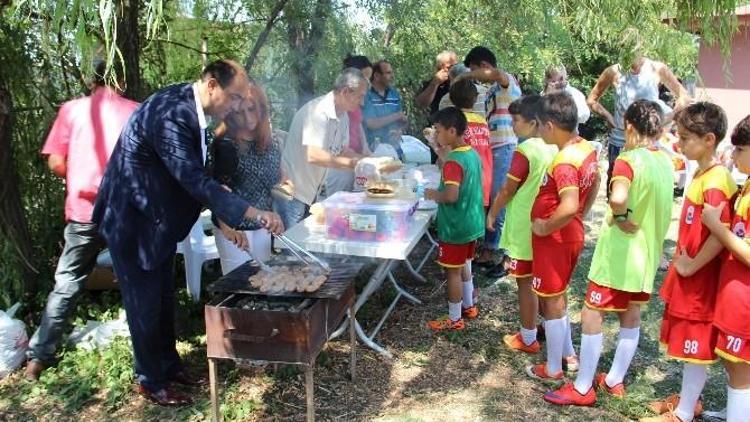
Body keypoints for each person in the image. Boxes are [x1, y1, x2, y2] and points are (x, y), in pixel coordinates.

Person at [92, 60, 284, 406]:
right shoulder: (172, 113)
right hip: (133, 221)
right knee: (145, 304)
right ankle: (151, 380)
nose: (240, 104)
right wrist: (249, 213)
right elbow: (192, 178)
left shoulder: (190, 109)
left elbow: (199, 173)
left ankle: (169, 365)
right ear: (212, 85)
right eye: (235, 96)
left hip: (158, 222)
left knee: (163, 297)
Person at [544, 100, 674, 406]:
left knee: (592, 312)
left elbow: (617, 199)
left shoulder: (628, 160)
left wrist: (622, 215)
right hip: (647, 255)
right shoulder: (665, 162)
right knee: (632, 315)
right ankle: (614, 380)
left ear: (629, 126)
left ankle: (583, 387)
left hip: (620, 254)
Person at [24, 61, 139, 381]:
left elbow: (56, 162)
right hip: (123, 211)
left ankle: (39, 358)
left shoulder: (71, 111)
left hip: (83, 212)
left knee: (67, 283)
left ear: (90, 80)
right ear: (121, 78)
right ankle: (142, 352)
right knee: (135, 280)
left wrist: (79, 175)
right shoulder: (135, 111)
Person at [644, 102, 737, 422]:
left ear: (709, 139)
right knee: (696, 344)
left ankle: (684, 412)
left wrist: (690, 265)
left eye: (685, 138)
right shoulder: (703, 172)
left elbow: (718, 232)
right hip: (692, 272)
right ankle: (688, 399)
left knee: (697, 344)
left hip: (702, 277)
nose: (679, 144)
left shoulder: (716, 180)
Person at [525, 92, 600, 381]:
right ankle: (567, 354)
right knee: (557, 296)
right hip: (567, 235)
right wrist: (582, 211)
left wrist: (545, 227)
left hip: (555, 239)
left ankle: (553, 367)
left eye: (539, 124)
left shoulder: (566, 160)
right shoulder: (584, 148)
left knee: (552, 301)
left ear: (550, 126)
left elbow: (568, 205)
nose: (538, 129)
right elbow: (596, 181)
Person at [487, 95, 557, 354]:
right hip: (548, 224)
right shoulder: (554, 147)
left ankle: (528, 338)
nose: (513, 125)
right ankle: (549, 330)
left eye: (516, 120)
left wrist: (493, 213)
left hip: (524, 227)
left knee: (525, 283)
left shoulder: (525, 151)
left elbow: (507, 189)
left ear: (533, 122)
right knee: (546, 283)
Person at [700, 114, 750, 422]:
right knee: (734, 361)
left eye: (739, 150)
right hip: (736, 289)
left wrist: (717, 228)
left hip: (745, 296)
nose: (733, 156)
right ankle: (737, 408)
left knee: (739, 363)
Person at [456, 46, 522, 276]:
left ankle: (500, 254)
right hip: (494, 150)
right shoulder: (492, 92)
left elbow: (497, 74)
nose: (473, 76)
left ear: (484, 66)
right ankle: (490, 250)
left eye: (474, 70)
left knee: (499, 200)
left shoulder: (506, 82)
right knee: (492, 199)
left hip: (505, 149)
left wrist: (465, 75)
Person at [279, 68, 368, 229]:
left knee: (306, 245)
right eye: (360, 96)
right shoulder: (318, 112)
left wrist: (368, 161)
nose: (362, 102)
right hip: (293, 192)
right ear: (346, 91)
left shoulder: (344, 115)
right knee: (292, 250)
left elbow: (342, 151)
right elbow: (314, 155)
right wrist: (351, 164)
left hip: (312, 193)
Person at [211, 80, 283, 274]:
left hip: (262, 226)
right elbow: (215, 192)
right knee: (239, 288)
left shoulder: (270, 142)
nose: (247, 117)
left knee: (264, 283)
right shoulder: (226, 144)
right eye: (240, 112)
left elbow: (277, 181)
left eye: (251, 109)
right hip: (234, 229)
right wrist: (227, 229)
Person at [587, 55, 689, 189]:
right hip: (620, 143)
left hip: (648, 144)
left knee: (645, 189)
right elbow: (591, 100)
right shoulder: (614, 71)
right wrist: (608, 117)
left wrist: (668, 117)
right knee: (616, 190)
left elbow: (684, 97)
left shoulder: (656, 68)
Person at [424, 107, 484, 331]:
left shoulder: (452, 163)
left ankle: (454, 317)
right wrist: (436, 146)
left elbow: (450, 195)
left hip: (455, 226)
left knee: (452, 272)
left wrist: (432, 194)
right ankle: (469, 306)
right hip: (471, 222)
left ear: (451, 131)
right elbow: (450, 160)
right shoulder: (470, 153)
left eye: (438, 131)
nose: (436, 135)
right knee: (464, 264)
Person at [325, 55, 373, 195]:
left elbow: (358, 125)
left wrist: (365, 148)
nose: (367, 81)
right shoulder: (336, 105)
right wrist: (356, 161)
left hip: (352, 159)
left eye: (369, 77)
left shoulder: (353, 102)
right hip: (339, 165)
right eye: (365, 76)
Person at [449, 78, 492, 207]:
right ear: (476, 98)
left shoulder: (453, 121)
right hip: (484, 175)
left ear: (450, 99)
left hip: (464, 178)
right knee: (479, 218)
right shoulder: (482, 121)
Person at [363, 60, 407, 151]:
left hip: (395, 147)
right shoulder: (366, 95)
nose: (392, 76)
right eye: (388, 73)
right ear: (376, 76)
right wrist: (396, 115)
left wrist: (400, 130)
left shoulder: (394, 94)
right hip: (372, 149)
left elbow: (402, 120)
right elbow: (371, 124)